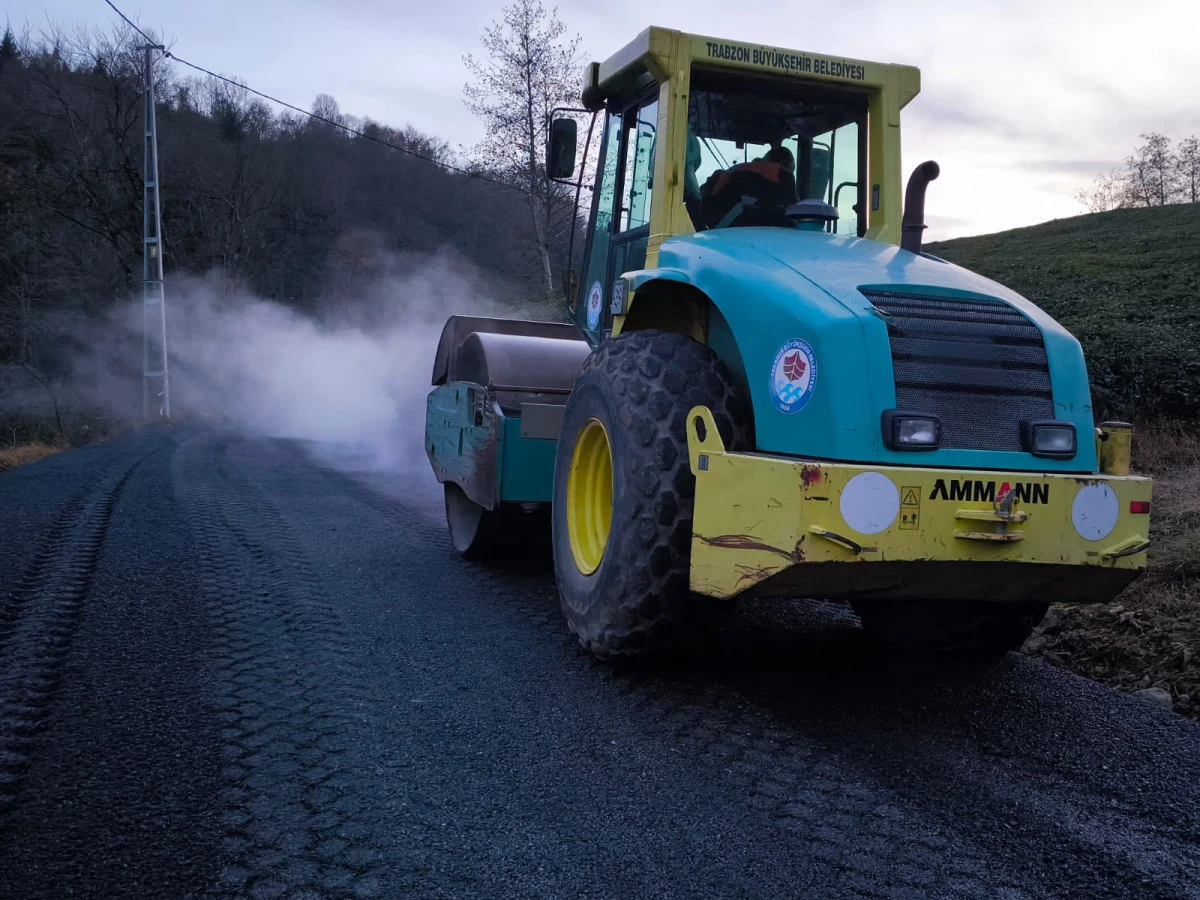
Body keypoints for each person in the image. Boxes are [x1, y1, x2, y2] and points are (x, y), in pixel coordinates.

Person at [695, 142, 798, 230]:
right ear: (784, 166)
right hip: (744, 232)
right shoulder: (783, 176)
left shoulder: (735, 172)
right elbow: (797, 213)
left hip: (712, 229)